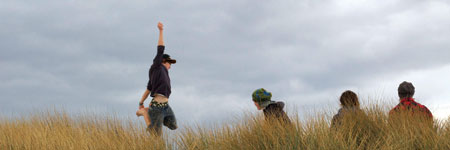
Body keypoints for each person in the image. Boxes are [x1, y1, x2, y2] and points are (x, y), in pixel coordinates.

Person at [136, 22, 178, 136]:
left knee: (173, 125)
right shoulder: (157, 66)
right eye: (170, 63)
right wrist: (161, 31)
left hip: (166, 106)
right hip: (157, 108)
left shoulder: (159, 75)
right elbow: (160, 48)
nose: (170, 66)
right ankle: (145, 113)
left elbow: (148, 90)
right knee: (156, 136)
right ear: (163, 61)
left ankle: (148, 113)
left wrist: (141, 102)